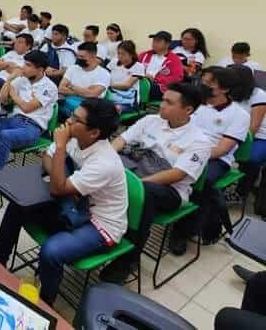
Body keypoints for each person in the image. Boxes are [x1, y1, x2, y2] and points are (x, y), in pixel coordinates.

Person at [0, 99, 127, 306]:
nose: (68, 121)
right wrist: (62, 175)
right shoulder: (75, 138)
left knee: (51, 252)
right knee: (19, 204)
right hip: (72, 205)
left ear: (94, 133)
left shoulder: (104, 162)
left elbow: (56, 187)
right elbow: (46, 156)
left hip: (100, 224)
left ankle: (45, 304)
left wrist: (61, 154)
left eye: (76, 119)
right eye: (72, 115)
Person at [99, 83, 211, 283]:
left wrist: (135, 184)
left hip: (170, 190)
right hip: (135, 171)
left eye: (169, 102)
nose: (161, 105)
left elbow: (176, 174)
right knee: (98, 165)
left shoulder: (199, 141)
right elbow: (121, 141)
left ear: (188, 110)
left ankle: (128, 259)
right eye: (163, 99)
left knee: (144, 194)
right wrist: (105, 159)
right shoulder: (151, 120)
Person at [173, 66, 250, 249]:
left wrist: (191, 155)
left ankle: (183, 231)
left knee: (201, 180)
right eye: (203, 81)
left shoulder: (239, 115)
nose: (203, 85)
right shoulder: (198, 105)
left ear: (224, 89)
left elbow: (222, 149)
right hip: (185, 149)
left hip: (215, 159)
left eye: (209, 83)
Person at [0, 51, 58, 171]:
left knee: (4, 136)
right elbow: (2, 99)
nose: (23, 68)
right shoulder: (22, 80)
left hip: (31, 128)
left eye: (28, 65)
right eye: (24, 64)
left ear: (40, 69)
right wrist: (9, 80)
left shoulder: (49, 87)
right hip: (13, 120)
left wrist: (13, 93)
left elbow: (27, 108)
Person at [230, 65, 266, 199]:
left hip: (259, 137)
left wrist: (234, 143)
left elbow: (254, 127)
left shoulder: (259, 95)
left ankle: (241, 192)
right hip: (237, 133)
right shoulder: (230, 91)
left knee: (251, 159)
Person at [58, 42, 111, 119]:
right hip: (66, 105)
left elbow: (92, 94)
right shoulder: (72, 68)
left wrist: (71, 86)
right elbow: (61, 88)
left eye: (82, 57)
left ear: (93, 56)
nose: (78, 59)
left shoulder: (104, 74)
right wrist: (84, 91)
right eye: (77, 56)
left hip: (88, 110)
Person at [139, 31, 184, 101]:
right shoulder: (144, 55)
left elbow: (176, 78)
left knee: (145, 86)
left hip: (159, 86)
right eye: (153, 41)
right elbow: (133, 67)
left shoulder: (174, 60)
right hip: (140, 80)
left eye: (158, 41)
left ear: (167, 44)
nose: (154, 43)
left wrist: (155, 79)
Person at [107, 40, 145, 114]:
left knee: (110, 111)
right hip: (111, 96)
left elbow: (126, 86)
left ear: (131, 54)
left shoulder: (138, 66)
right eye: (118, 53)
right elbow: (104, 76)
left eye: (123, 54)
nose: (119, 56)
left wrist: (108, 85)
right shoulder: (113, 62)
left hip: (128, 101)